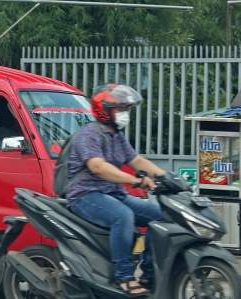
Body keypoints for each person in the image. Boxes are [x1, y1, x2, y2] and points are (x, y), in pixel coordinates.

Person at [66, 83, 165, 295]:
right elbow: (98, 167)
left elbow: (136, 160)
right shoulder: (89, 135)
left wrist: (167, 177)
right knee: (123, 216)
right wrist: (135, 180)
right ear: (104, 110)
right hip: (85, 196)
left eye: (126, 110)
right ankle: (124, 275)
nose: (125, 114)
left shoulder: (117, 136)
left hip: (113, 194)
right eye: (120, 110)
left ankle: (148, 273)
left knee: (161, 216)